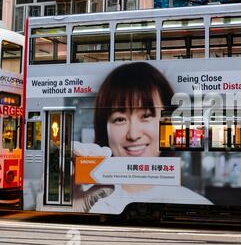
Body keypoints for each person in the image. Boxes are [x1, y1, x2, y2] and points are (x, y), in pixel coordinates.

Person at [73, 62, 211, 214]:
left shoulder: (196, 205)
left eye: (146, 116)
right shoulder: (85, 199)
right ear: (104, 128)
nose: (133, 135)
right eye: (120, 119)